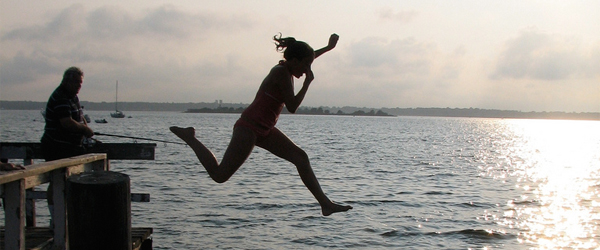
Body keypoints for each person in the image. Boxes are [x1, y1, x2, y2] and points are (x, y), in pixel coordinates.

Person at [170, 33, 352, 216]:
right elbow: (293, 106)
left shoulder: (289, 68)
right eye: (305, 66)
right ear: (294, 60)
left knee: (300, 158)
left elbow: (306, 60)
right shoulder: (280, 73)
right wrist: (307, 83)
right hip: (248, 128)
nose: (306, 70)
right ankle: (190, 138)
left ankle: (326, 205)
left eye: (308, 66)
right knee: (219, 176)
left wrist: (328, 48)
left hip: (265, 129)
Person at [41, 66, 94, 228]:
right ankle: (56, 220)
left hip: (72, 147)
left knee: (72, 182)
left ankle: (67, 218)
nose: (79, 86)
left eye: (81, 83)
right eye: (77, 82)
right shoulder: (60, 97)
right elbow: (66, 122)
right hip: (56, 147)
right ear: (67, 81)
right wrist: (84, 129)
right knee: (57, 181)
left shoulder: (73, 97)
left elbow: (79, 117)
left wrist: (85, 129)